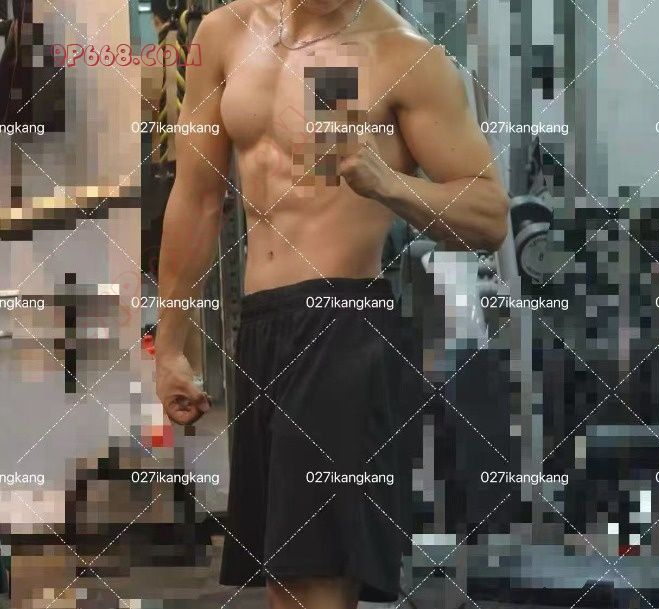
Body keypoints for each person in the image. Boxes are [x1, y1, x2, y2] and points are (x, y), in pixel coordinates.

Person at [154, 0, 508, 606]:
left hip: (344, 329)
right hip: (260, 329)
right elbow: (196, 198)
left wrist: (389, 183)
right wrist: (170, 345)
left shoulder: (404, 56)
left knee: (314, 581)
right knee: (283, 582)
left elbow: (489, 216)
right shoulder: (223, 35)